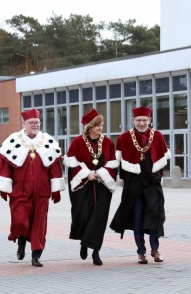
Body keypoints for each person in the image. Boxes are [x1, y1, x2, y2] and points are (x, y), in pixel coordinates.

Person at [0, 108, 65, 267]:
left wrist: (56, 189)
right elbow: (4, 165)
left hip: (42, 192)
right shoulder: (13, 140)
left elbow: (55, 167)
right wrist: (3, 188)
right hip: (20, 191)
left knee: (39, 224)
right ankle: (22, 241)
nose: (35, 125)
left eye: (37, 123)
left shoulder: (47, 141)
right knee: (20, 220)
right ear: (24, 123)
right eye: (31, 123)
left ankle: (36, 255)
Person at [109, 106, 171, 264]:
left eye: (145, 120)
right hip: (134, 185)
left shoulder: (157, 136)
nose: (142, 123)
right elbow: (119, 165)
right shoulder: (124, 137)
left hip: (152, 184)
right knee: (137, 218)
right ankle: (141, 251)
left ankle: (155, 249)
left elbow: (162, 161)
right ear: (133, 121)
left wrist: (158, 179)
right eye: (138, 120)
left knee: (155, 216)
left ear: (150, 120)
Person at [63, 109, 118, 266]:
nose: (101, 127)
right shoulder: (78, 142)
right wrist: (86, 174)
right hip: (84, 186)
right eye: (97, 125)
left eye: (101, 124)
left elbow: (113, 163)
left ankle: (96, 251)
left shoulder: (107, 142)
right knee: (84, 215)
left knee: (99, 218)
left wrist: (101, 173)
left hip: (102, 186)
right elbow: (71, 163)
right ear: (89, 127)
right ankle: (83, 243)